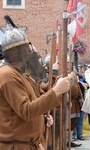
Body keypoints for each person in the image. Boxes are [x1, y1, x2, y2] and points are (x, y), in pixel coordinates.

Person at [0, 15, 70, 150]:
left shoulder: (20, 74)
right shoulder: (8, 75)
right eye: (26, 48)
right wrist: (56, 91)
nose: (29, 51)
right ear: (17, 51)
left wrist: (42, 119)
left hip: (28, 144)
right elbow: (26, 110)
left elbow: (29, 105)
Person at [72, 68, 88, 141]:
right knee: (74, 121)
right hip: (74, 105)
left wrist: (82, 101)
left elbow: (82, 93)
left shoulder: (80, 84)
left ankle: (79, 134)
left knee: (80, 121)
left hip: (81, 104)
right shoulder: (72, 84)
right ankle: (73, 135)